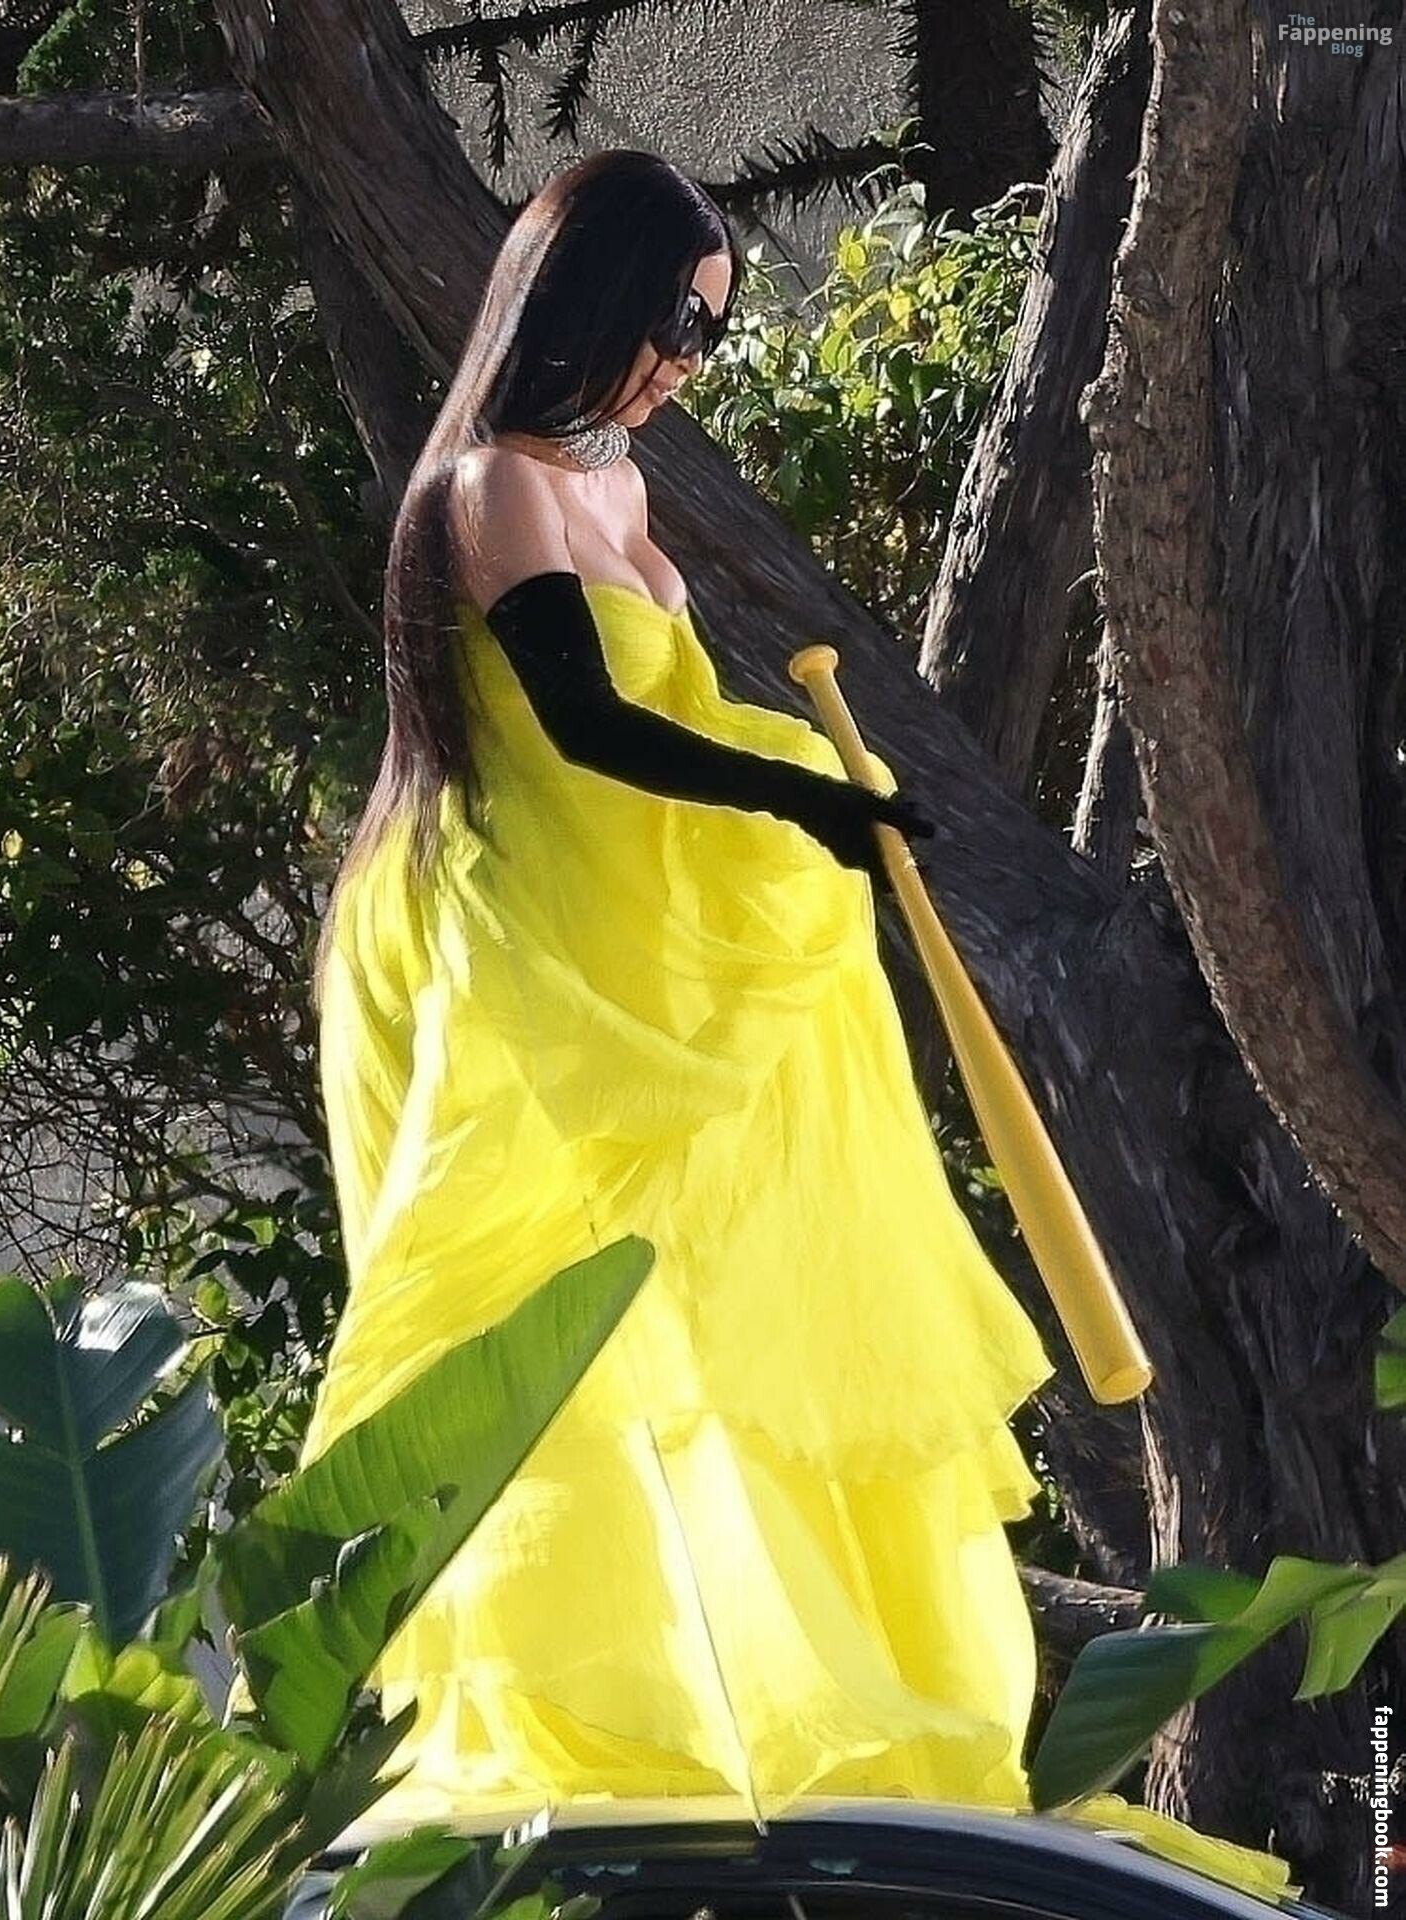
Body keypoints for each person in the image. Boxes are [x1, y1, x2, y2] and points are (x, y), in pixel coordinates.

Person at [301, 148, 1299, 1902]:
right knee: (559, 1321)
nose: (687, 362)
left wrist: (811, 799)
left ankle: (783, 1702)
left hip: (648, 936)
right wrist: (802, 805)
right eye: (676, 324)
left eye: (708, 332)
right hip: (539, 951)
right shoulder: (491, 489)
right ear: (592, 300)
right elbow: (587, 726)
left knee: (738, 1315)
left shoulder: (613, 481)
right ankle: (590, 1709)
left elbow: (676, 706)